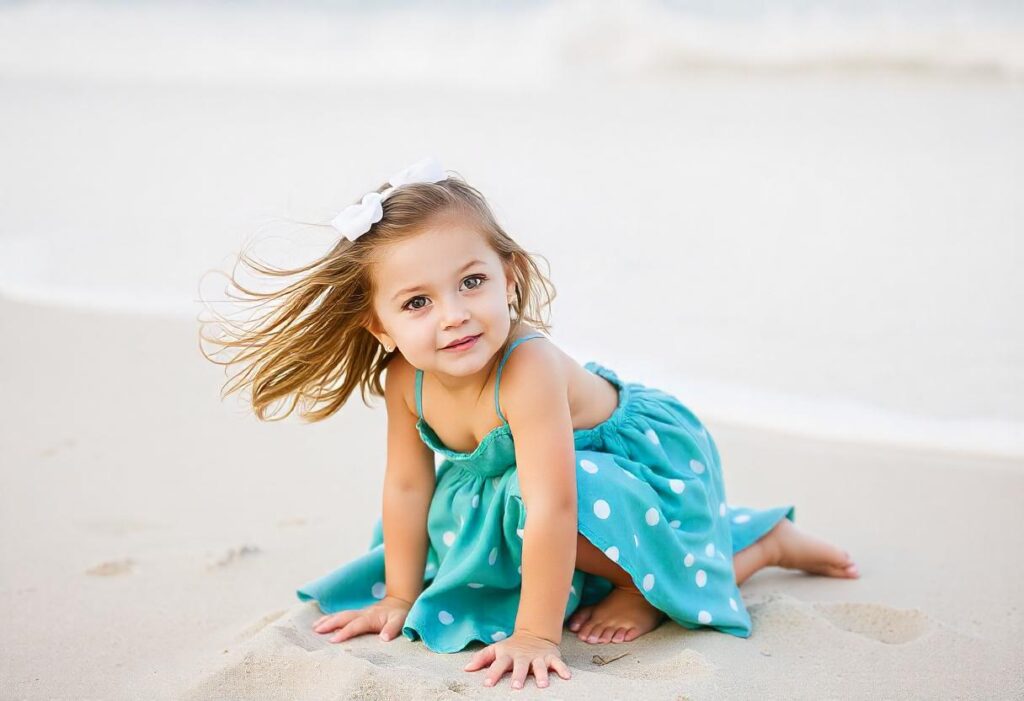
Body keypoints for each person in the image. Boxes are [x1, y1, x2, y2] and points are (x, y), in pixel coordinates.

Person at [200, 156, 859, 691]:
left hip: (628, 469)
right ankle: (633, 568)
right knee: (460, 510)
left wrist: (537, 634)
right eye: (418, 302)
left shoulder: (527, 367)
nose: (453, 314)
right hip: (532, 488)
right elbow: (406, 487)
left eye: (471, 282)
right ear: (382, 326)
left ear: (508, 277)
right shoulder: (408, 377)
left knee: (538, 494)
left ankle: (747, 551)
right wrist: (400, 594)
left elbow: (554, 502)